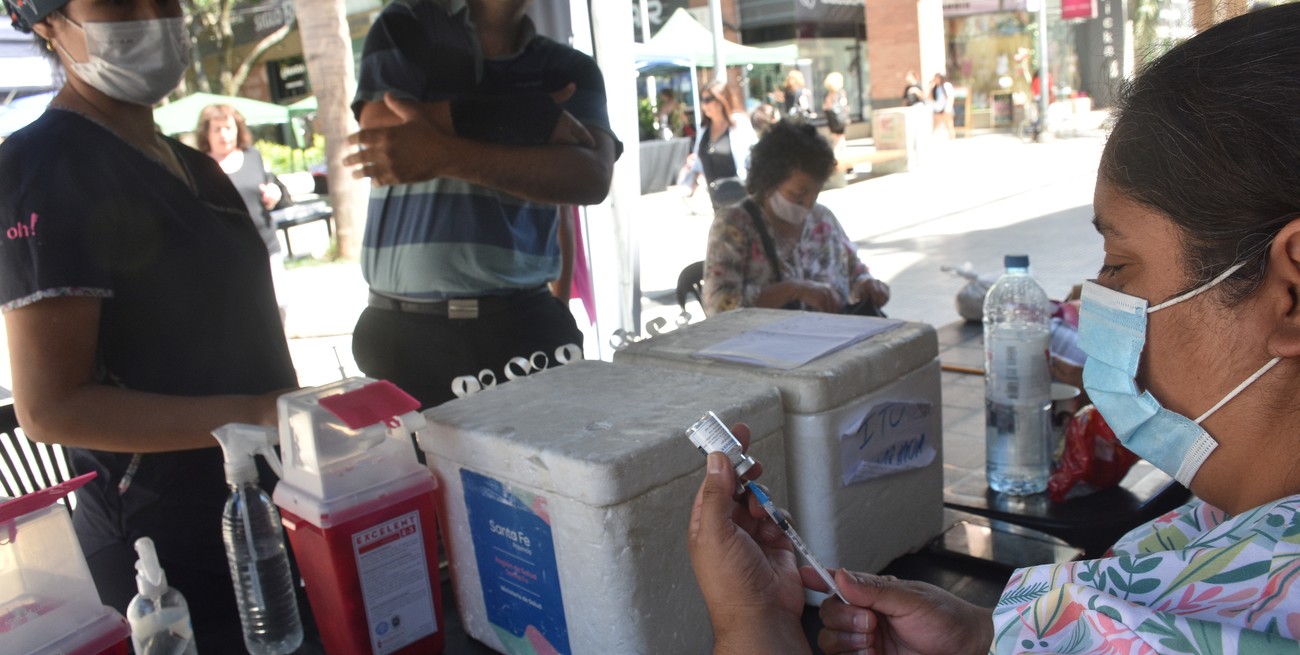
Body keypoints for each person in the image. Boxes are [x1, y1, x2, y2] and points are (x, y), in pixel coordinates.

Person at [689, 5, 1300, 653]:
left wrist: (753, 621)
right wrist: (986, 636)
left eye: (1120, 264)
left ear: (1290, 295)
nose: (1097, 298)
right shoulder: (1224, 525)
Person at [0, 0, 301, 649]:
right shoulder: (39, 168)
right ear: (45, 18)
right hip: (160, 557)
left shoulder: (200, 169)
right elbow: (50, 407)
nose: (152, 13)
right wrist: (257, 410)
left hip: (262, 514)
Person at [344, 0, 620, 409]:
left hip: (524, 320)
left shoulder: (569, 68)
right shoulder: (408, 22)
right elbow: (380, 127)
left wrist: (440, 150)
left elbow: (590, 178)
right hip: (404, 330)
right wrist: (528, 118)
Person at [702, 120, 889, 317]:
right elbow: (718, 305)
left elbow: (855, 271)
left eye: (815, 192)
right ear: (768, 183)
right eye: (798, 194)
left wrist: (867, 284)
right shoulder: (735, 225)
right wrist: (792, 290)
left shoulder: (822, 219)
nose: (808, 204)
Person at [196, 104, 290, 322]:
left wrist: (273, 194)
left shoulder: (253, 156)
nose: (224, 135)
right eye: (217, 129)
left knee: (279, 306)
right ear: (206, 134)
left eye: (228, 127)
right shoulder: (199, 166)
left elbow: (274, 188)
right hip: (227, 255)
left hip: (266, 248)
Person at [682, 78, 758, 209]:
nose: (704, 105)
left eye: (708, 100)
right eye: (702, 100)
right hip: (717, 201)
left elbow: (754, 158)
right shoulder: (704, 130)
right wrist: (690, 181)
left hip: (742, 200)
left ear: (721, 100)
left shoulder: (739, 124)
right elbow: (698, 165)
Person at [821, 71, 850, 161]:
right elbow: (845, 107)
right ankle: (836, 159)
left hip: (833, 120)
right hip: (839, 119)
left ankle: (841, 159)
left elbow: (825, 107)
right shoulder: (841, 93)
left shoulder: (828, 94)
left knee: (838, 139)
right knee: (839, 140)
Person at [931, 72, 955, 138]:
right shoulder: (935, 88)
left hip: (946, 109)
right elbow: (930, 98)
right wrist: (931, 86)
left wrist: (947, 108)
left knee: (949, 126)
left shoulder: (946, 85)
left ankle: (952, 140)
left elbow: (950, 97)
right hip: (937, 110)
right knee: (935, 126)